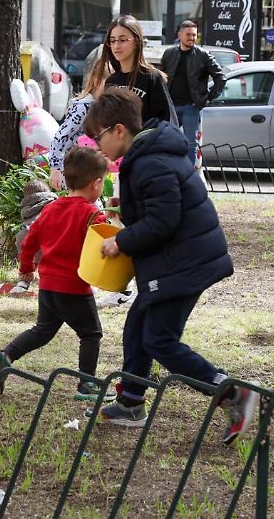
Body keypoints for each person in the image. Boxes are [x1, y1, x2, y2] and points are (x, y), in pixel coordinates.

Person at [83, 89, 253, 440]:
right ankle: (131, 401)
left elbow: (163, 221)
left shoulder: (149, 161)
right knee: (138, 325)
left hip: (184, 264)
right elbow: (160, 204)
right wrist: (127, 205)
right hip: (177, 260)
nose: (95, 144)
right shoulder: (148, 154)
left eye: (98, 136)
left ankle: (232, 392)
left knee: (159, 339)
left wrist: (121, 241)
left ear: (118, 130)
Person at [0, 146, 108, 398]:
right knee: (91, 333)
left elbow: (29, 242)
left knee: (43, 330)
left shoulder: (50, 209)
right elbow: (102, 246)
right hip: (74, 287)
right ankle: (87, 384)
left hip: (48, 286)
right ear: (96, 185)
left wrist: (26, 270)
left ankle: (3, 356)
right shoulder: (92, 213)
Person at [84, 15, 176, 127]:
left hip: (146, 143)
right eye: (112, 41)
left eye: (122, 40)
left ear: (137, 42)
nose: (116, 45)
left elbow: (166, 121)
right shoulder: (111, 81)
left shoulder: (152, 78)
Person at [47, 59, 110, 191]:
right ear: (96, 81)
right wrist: (55, 169)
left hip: (90, 168)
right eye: (108, 85)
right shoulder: (84, 107)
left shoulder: (103, 106)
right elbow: (60, 137)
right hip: (74, 170)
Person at [160, 20, 224, 142]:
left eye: (194, 35)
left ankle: (189, 163)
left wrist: (208, 97)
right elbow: (160, 78)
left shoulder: (203, 55)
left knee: (191, 143)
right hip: (171, 107)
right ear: (180, 35)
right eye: (188, 34)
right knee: (168, 141)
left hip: (191, 107)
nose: (192, 38)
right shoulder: (169, 53)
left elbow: (221, 77)